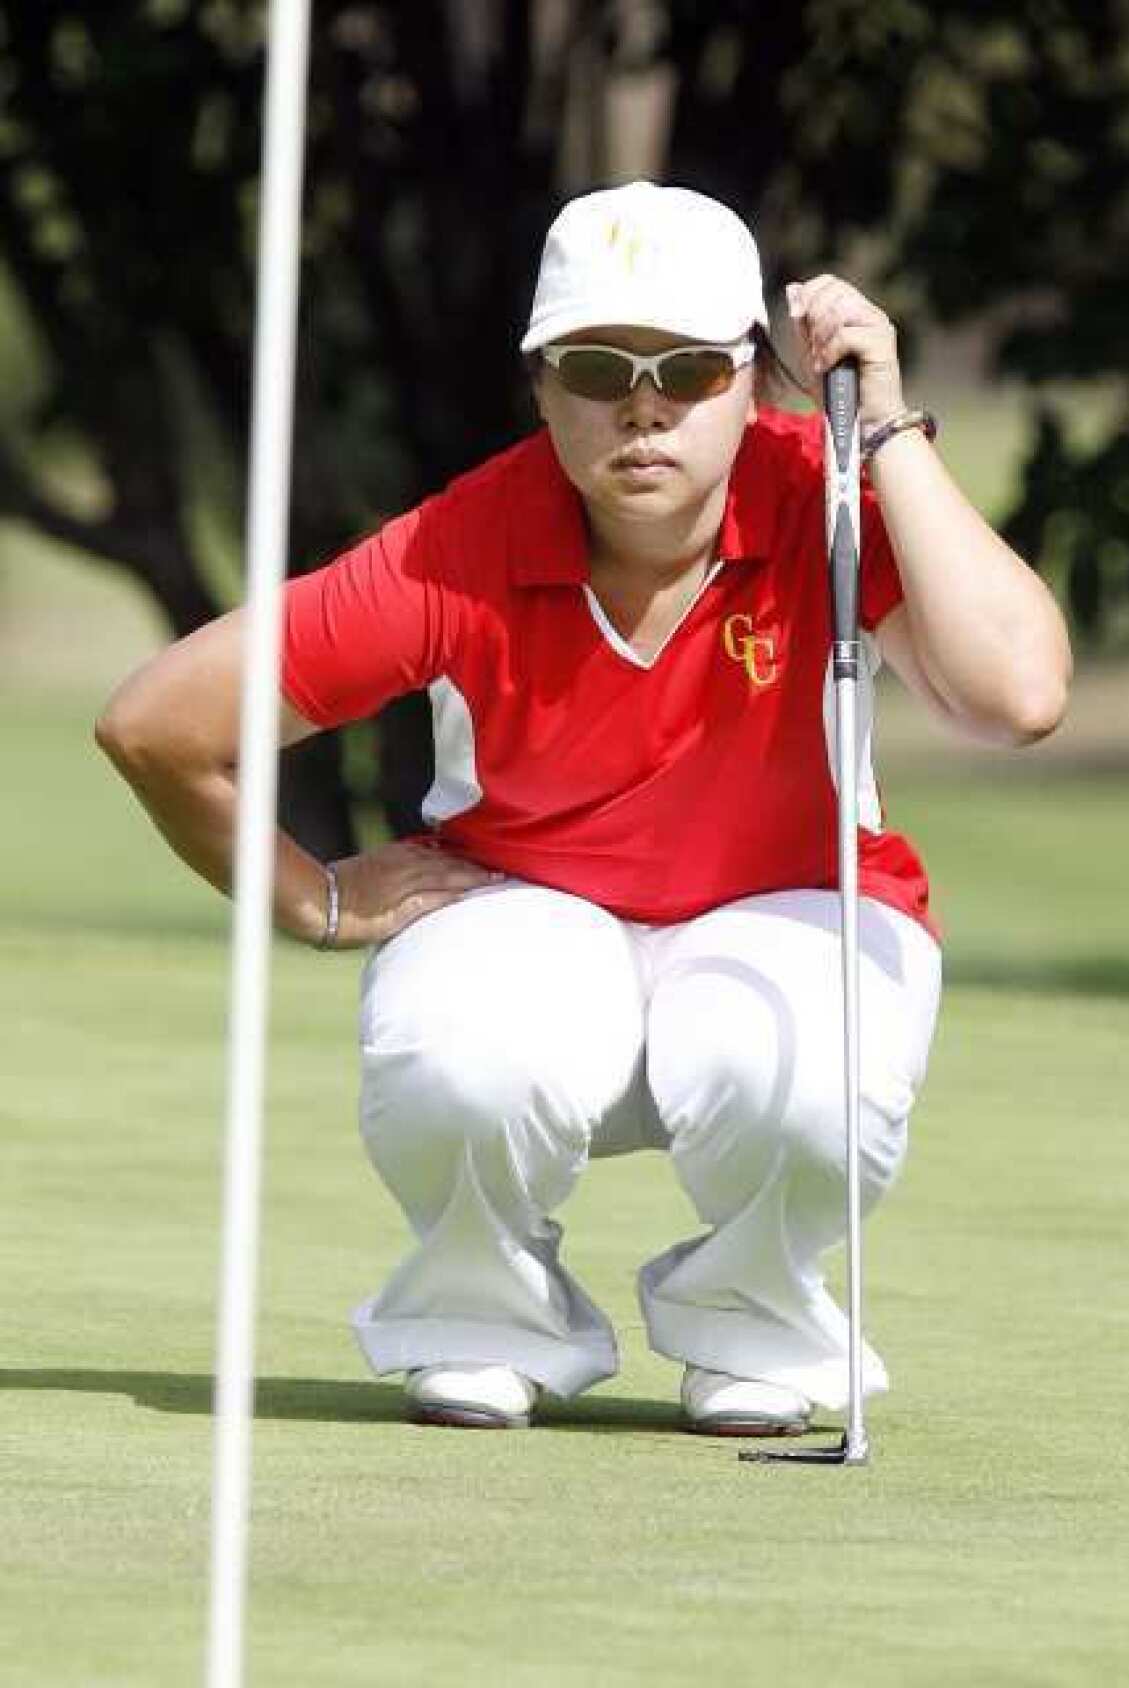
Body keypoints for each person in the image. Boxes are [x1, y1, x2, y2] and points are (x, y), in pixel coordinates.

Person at [96, 180, 1071, 1435]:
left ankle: (759, 1319)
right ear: (542, 387)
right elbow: (156, 724)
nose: (643, 402)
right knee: (463, 1052)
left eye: (690, 368)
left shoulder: (830, 499)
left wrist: (882, 431)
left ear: (755, 380)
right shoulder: (462, 542)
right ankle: (478, 1315)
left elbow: (1022, 693)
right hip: (529, 919)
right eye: (599, 365)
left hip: (792, 911)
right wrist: (317, 897)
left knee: (803, 1078)